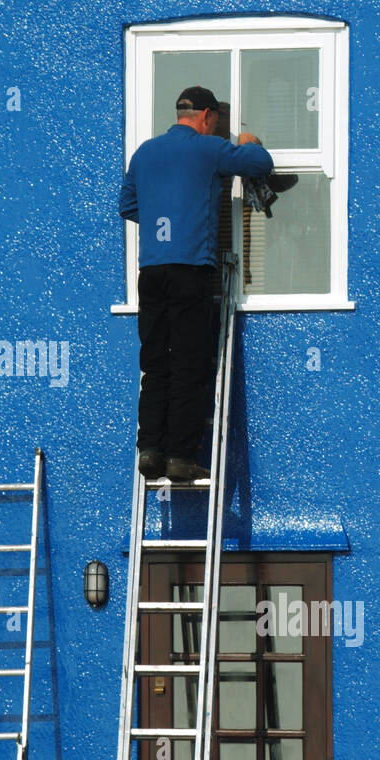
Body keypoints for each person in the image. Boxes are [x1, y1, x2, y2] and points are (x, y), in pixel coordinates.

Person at [118, 85, 274, 482]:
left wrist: (165, 215)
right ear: (206, 115)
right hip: (191, 269)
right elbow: (259, 162)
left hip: (151, 272)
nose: (215, 129)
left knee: (156, 363)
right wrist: (247, 139)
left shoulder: (145, 152)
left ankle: (150, 450)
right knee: (189, 364)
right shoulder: (208, 149)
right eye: (216, 122)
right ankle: (180, 457)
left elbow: (128, 206)